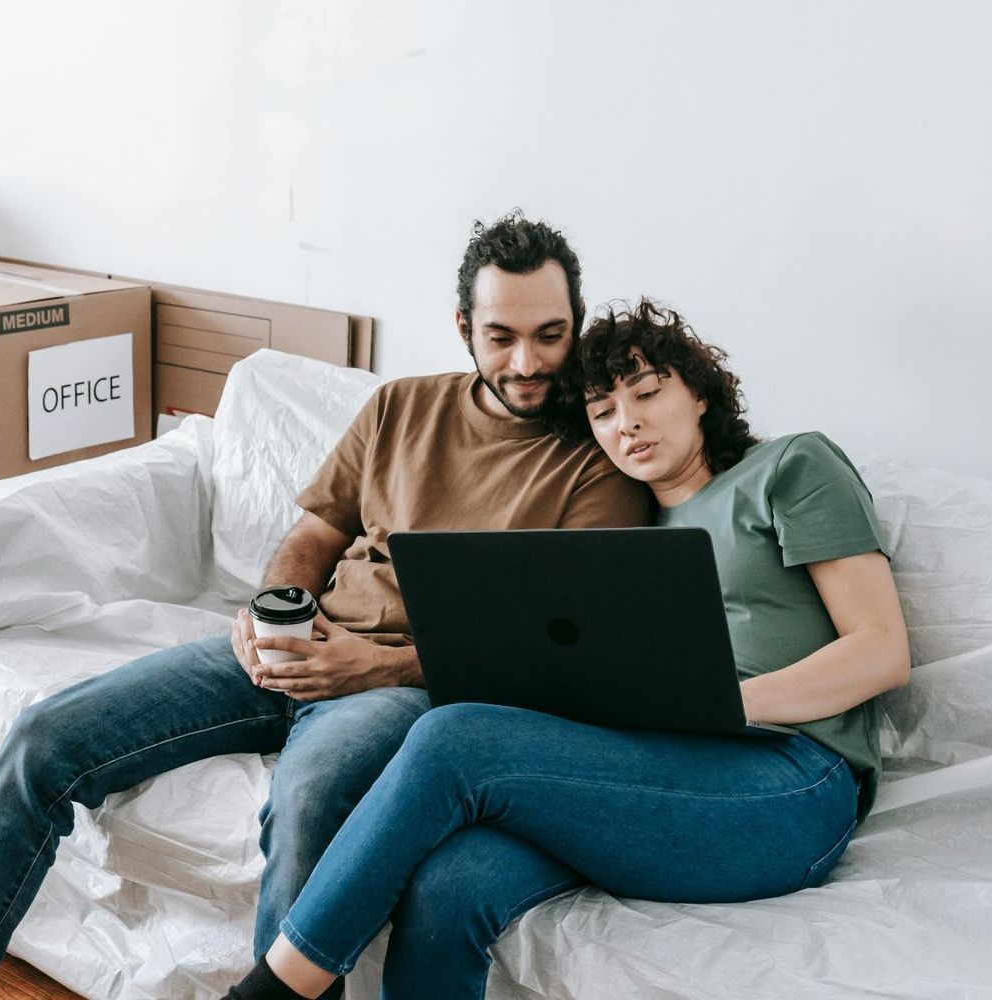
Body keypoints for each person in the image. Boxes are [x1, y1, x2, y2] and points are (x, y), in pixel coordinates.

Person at [0, 215, 649, 1000]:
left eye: (550, 335)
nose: (527, 362)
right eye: (501, 336)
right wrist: (271, 609)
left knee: (306, 801)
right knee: (47, 741)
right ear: (463, 326)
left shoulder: (599, 463)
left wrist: (375, 666)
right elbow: (316, 530)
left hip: (405, 688)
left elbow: (550, 650)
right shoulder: (402, 408)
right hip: (295, 646)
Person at [221, 299, 911, 1000]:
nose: (628, 422)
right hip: (655, 766)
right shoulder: (626, 534)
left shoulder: (791, 467)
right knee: (448, 882)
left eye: (647, 393)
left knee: (453, 737)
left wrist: (722, 704)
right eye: (603, 411)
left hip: (791, 782)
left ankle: (271, 994)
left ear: (700, 394)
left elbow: (882, 650)